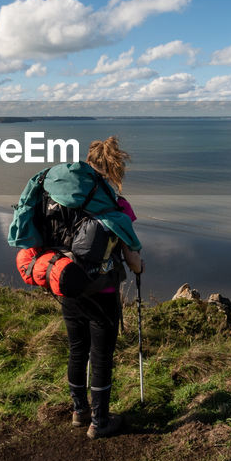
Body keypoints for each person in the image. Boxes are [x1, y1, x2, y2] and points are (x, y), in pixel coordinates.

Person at [65, 136, 143, 439]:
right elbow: (131, 256)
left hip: (68, 285)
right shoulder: (117, 205)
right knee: (100, 357)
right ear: (115, 167)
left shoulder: (66, 201)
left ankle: (79, 411)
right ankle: (100, 422)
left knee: (76, 350)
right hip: (103, 293)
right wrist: (138, 267)